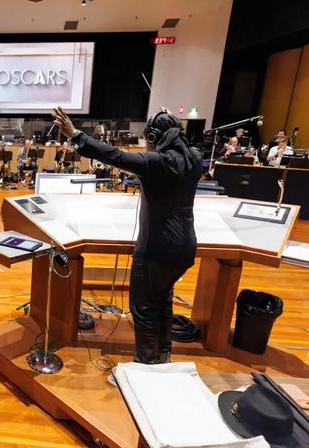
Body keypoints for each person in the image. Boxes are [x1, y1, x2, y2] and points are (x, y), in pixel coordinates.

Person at [52, 106, 202, 364]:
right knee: (163, 300)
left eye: (149, 139)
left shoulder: (158, 163)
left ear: (155, 138)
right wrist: (168, 121)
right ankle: (163, 356)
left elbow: (116, 156)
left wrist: (76, 134)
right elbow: (181, 144)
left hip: (157, 247)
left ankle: (146, 363)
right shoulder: (195, 157)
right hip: (185, 246)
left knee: (143, 308)